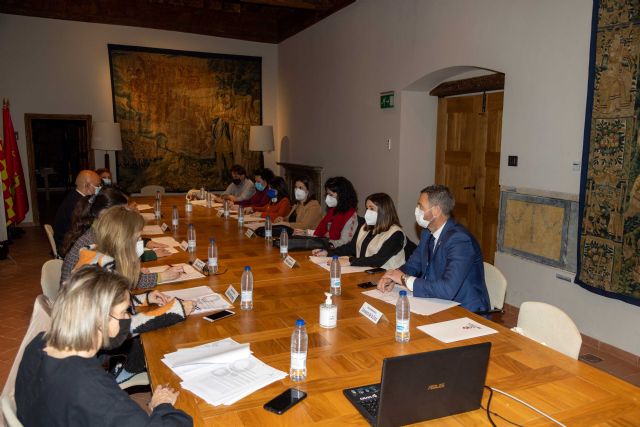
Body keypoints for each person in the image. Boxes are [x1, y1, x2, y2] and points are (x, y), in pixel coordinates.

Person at [15, 265, 192, 426]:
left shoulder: (39, 342)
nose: (127, 319)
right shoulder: (95, 392)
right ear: (99, 320)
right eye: (123, 312)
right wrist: (163, 406)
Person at [377, 185, 490, 312]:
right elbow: (413, 265)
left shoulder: (460, 240)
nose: (417, 210)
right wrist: (393, 277)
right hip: (436, 302)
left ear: (436, 211)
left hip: (464, 310)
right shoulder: (427, 233)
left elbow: (447, 289)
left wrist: (404, 279)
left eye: (421, 206)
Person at [60, 188, 170, 284]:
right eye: (123, 211)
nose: (128, 214)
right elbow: (122, 280)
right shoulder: (95, 242)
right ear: (108, 214)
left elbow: (118, 275)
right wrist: (161, 276)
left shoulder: (97, 232)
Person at [73, 205, 183, 290]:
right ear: (122, 241)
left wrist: (148, 298)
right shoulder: (104, 274)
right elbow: (118, 314)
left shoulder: (101, 256)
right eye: (137, 238)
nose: (141, 243)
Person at [314, 193, 406, 269]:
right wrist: (328, 253)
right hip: (363, 271)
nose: (367, 212)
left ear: (384, 211)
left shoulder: (396, 234)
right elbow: (351, 247)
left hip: (387, 278)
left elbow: (378, 259)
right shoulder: (365, 227)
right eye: (367, 208)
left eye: (371, 208)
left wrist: (350, 261)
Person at [53, 170, 102, 249]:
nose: (100, 188)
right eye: (98, 185)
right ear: (87, 186)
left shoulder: (74, 195)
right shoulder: (78, 204)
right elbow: (86, 230)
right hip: (67, 246)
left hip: (66, 241)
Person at [314, 176, 359, 247]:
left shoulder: (350, 214)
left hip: (337, 252)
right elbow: (320, 231)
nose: (327, 197)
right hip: (326, 248)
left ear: (342, 195)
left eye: (331, 195)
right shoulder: (333, 210)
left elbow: (345, 242)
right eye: (327, 194)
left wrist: (327, 241)